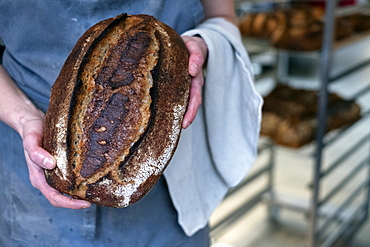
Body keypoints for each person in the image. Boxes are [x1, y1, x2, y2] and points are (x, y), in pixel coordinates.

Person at [0, 0, 262, 246]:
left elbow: (222, 16)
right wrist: (24, 118)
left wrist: (201, 47)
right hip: (31, 165)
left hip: (171, 186)